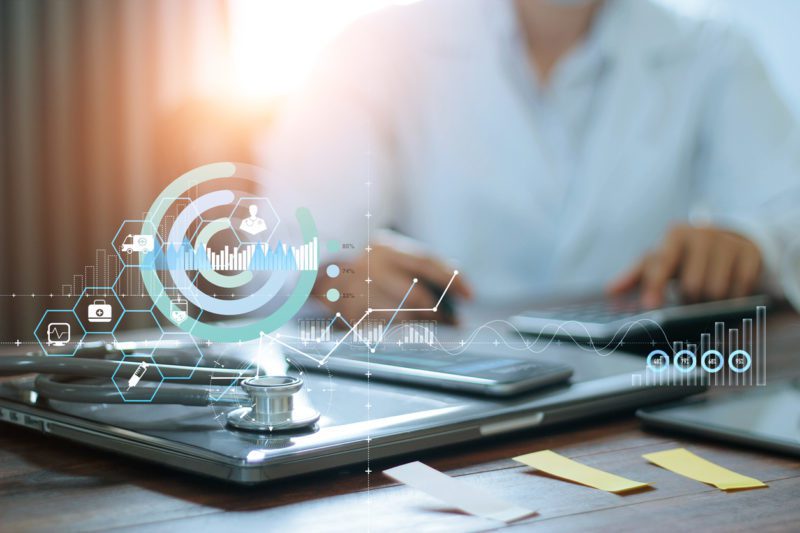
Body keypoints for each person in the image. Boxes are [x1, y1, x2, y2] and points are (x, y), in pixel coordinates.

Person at [261, 0, 800, 322]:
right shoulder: (371, 50)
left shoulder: (715, 53)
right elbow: (277, 248)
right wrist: (331, 272)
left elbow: (787, 213)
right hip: (443, 392)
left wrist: (754, 244)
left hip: (641, 392)